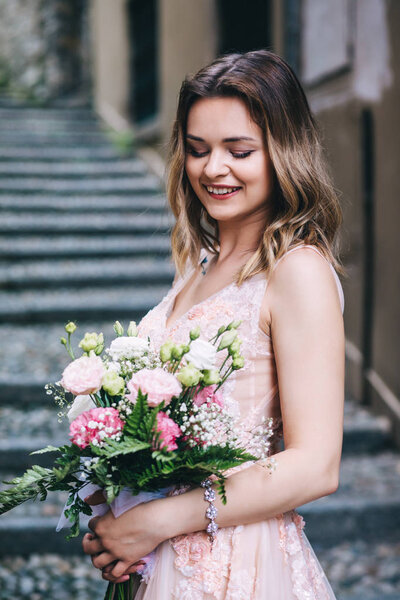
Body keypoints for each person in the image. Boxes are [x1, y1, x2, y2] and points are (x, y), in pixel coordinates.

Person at [82, 49, 345, 599]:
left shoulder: (297, 271)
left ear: (284, 152)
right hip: (160, 566)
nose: (212, 168)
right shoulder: (199, 266)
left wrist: (156, 520)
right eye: (198, 150)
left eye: (239, 150)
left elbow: (316, 465)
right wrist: (119, 511)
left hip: (238, 564)